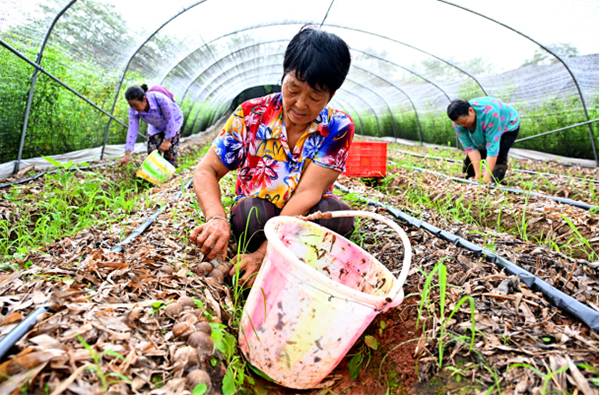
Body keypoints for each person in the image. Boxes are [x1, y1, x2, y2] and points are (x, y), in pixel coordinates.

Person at [190, 26, 355, 286]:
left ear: (331, 95)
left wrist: (262, 254)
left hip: (303, 215)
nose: (300, 104)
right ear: (283, 78)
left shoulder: (337, 127)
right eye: (293, 89)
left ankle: (289, 262)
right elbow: (206, 170)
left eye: (314, 96)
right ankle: (286, 254)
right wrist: (216, 217)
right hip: (259, 213)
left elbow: (307, 194)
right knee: (252, 214)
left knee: (335, 215)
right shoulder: (250, 115)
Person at [447, 97, 520, 183]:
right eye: (459, 123)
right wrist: (478, 173)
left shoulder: (489, 113)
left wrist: (487, 176)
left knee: (499, 153)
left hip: (508, 124)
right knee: (472, 165)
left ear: (471, 110)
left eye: (463, 122)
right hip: (486, 124)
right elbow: (470, 148)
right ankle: (473, 174)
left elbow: (492, 146)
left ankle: (496, 178)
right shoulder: (457, 124)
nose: (462, 125)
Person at [118, 84, 183, 167]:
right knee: (152, 149)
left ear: (144, 99)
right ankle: (154, 173)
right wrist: (127, 154)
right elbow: (132, 129)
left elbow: (170, 119)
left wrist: (167, 140)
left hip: (174, 121)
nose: (133, 107)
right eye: (131, 105)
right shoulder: (133, 109)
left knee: (170, 150)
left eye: (135, 105)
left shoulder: (160, 99)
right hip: (156, 126)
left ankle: (168, 172)